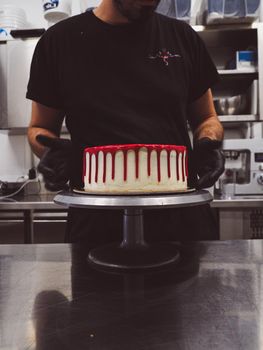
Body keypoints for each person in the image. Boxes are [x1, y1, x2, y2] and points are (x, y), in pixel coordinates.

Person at [26, 0, 225, 246]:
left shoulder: (182, 37)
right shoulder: (59, 42)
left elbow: (207, 118)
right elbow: (39, 128)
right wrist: (49, 152)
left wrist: (208, 142)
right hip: (97, 222)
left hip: (180, 220)